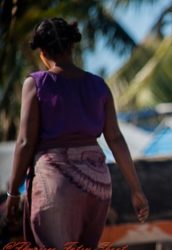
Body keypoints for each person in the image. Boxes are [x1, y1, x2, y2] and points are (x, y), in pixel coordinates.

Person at [5, 17, 149, 248]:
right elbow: (115, 138)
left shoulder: (36, 83)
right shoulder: (99, 85)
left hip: (56, 183)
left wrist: (13, 193)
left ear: (42, 52)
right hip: (98, 183)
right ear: (72, 46)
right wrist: (136, 189)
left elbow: (24, 142)